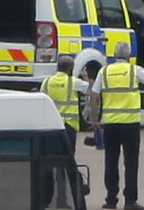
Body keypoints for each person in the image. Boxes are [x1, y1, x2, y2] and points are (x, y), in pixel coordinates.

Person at [90, 42, 144, 210]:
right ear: (129, 55)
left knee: (111, 161)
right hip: (131, 124)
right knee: (131, 162)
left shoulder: (104, 72)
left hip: (110, 124)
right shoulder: (135, 71)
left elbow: (94, 94)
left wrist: (95, 118)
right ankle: (130, 201)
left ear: (114, 54)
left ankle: (111, 199)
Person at [41, 56, 89, 207]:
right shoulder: (73, 82)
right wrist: (85, 77)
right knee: (68, 165)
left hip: (50, 128)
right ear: (70, 69)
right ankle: (68, 199)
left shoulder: (47, 82)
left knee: (49, 166)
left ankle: (47, 200)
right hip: (68, 129)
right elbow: (88, 88)